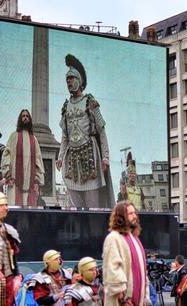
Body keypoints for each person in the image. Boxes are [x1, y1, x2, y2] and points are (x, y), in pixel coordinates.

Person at [56, 54, 113, 208]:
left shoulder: (90, 101)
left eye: (71, 78)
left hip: (90, 158)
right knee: (75, 206)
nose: (68, 81)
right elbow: (64, 136)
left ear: (79, 81)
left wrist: (105, 157)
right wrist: (60, 156)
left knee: (93, 207)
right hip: (72, 162)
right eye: (67, 79)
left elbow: (101, 130)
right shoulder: (65, 106)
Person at [102, 201, 151, 306]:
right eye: (130, 214)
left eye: (135, 213)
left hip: (137, 299)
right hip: (123, 301)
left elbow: (142, 269)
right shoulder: (114, 238)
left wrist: (145, 295)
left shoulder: (135, 238)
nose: (135, 216)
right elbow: (112, 269)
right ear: (121, 217)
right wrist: (122, 298)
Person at [1, 109, 44, 207]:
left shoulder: (34, 139)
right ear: (20, 119)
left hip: (30, 187)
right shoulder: (14, 136)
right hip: (14, 184)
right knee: (14, 211)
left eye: (27, 116)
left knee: (29, 214)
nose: (25, 118)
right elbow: (6, 155)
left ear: (30, 120)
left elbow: (38, 161)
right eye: (23, 116)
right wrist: (7, 176)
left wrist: (37, 181)